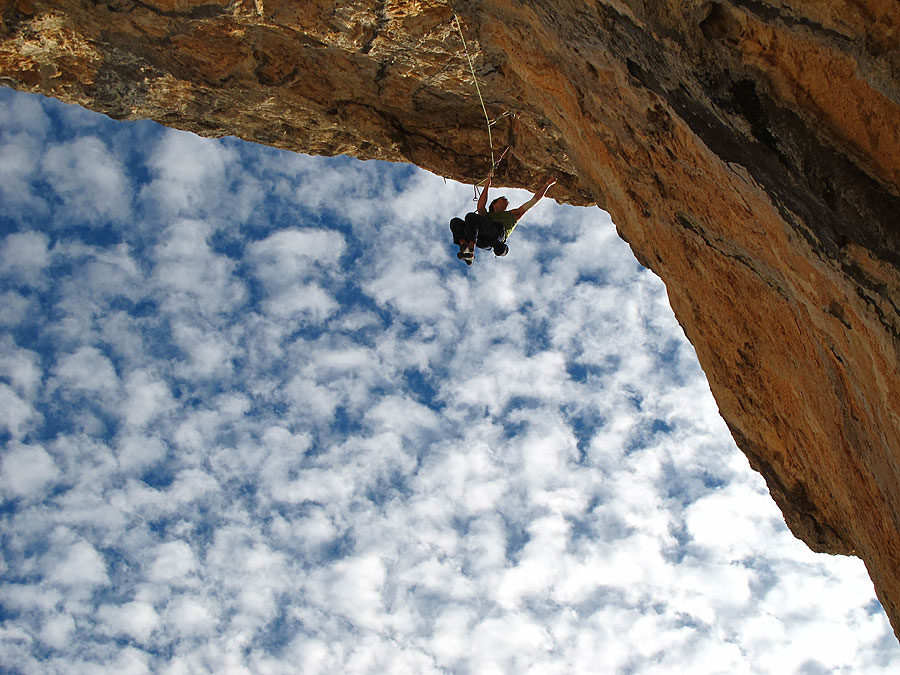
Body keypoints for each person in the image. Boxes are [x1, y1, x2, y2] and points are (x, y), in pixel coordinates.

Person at [450, 174, 557, 264]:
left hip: (497, 235)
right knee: (456, 222)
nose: (507, 202)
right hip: (483, 241)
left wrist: (547, 184)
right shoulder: (487, 216)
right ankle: (465, 247)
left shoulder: (513, 215)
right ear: (494, 204)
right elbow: (480, 206)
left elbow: (533, 201)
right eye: (503, 199)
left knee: (470, 217)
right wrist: (487, 185)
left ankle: (470, 247)